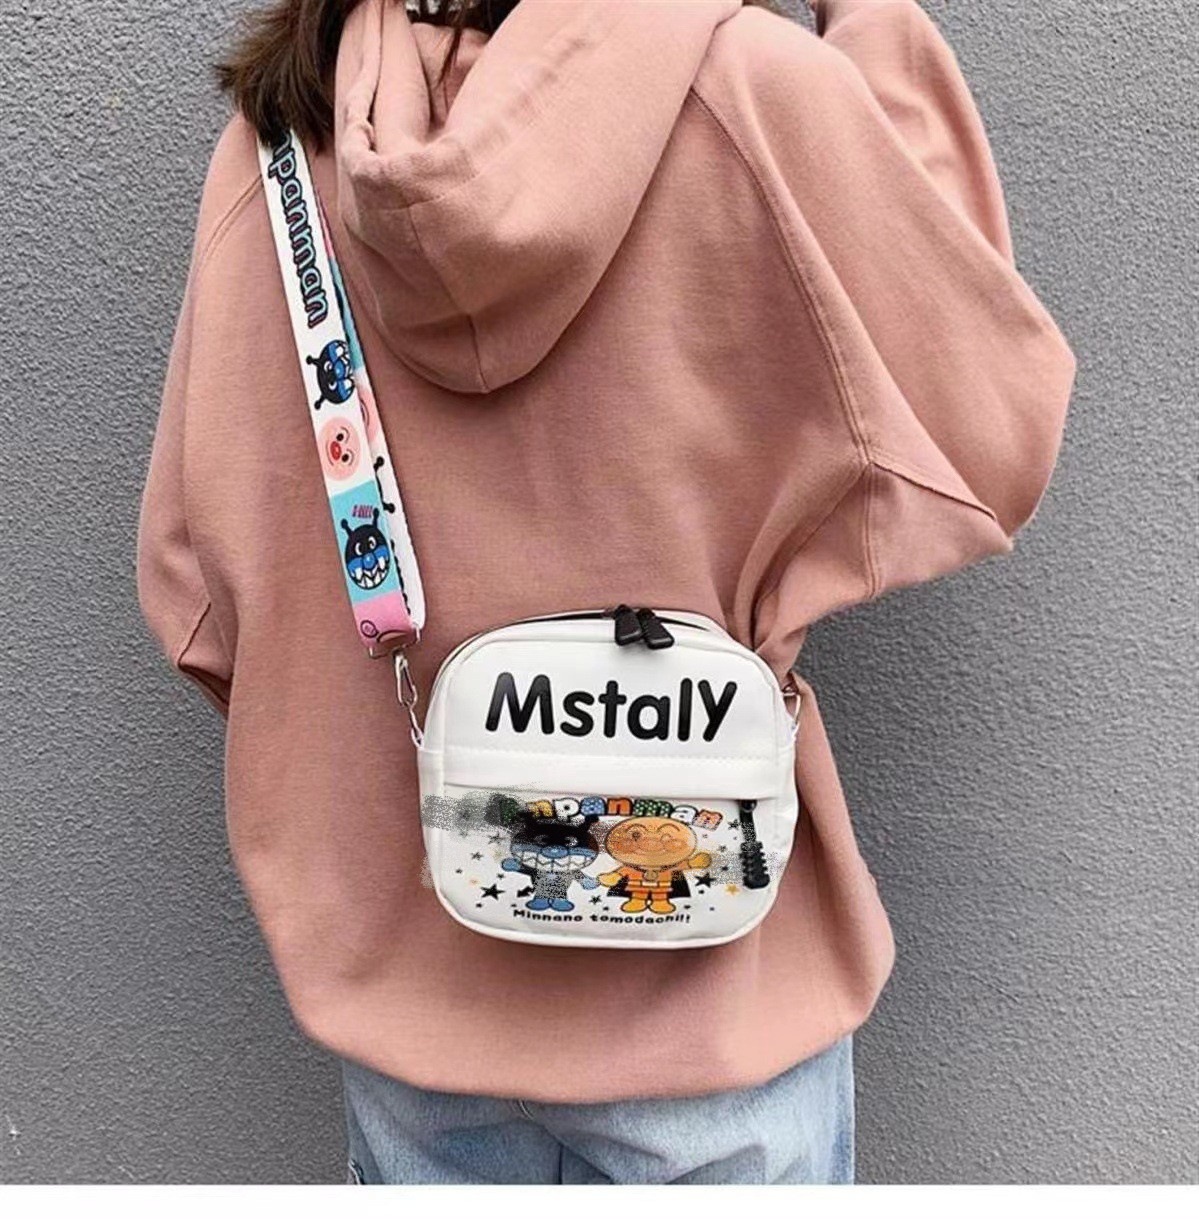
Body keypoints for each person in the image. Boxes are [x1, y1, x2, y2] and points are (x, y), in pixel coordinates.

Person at [137, 0, 1074, 1185]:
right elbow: (978, 414)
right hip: (714, 999)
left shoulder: (286, 135)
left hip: (412, 998)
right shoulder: (752, 89)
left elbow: (192, 588)